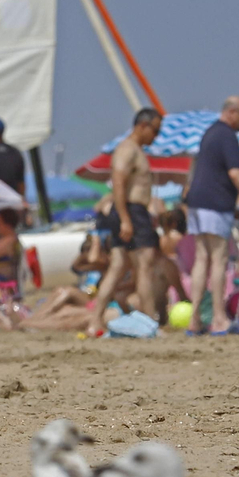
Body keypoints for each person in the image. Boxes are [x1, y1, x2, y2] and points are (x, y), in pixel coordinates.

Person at [183, 96, 239, 335]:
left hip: (197, 203)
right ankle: (219, 319)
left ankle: (195, 320)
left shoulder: (209, 133)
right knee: (219, 259)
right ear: (233, 112)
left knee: (202, 258)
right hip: (215, 203)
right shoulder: (227, 136)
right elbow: (237, 175)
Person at [86, 108, 164, 337]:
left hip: (130, 212)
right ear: (143, 125)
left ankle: (95, 321)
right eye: (156, 130)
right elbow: (118, 183)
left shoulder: (133, 150)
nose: (156, 137)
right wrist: (126, 219)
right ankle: (150, 322)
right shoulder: (127, 150)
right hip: (131, 212)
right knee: (144, 267)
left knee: (118, 267)